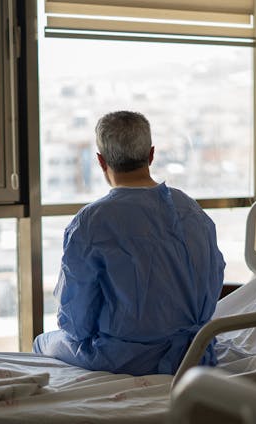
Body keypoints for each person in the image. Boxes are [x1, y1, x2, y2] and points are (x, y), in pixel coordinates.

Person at [33, 111, 226, 376]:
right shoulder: (191, 210)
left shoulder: (91, 222)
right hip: (196, 352)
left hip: (127, 359)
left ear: (101, 162)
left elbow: (75, 323)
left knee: (43, 342)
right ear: (151, 155)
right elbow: (213, 281)